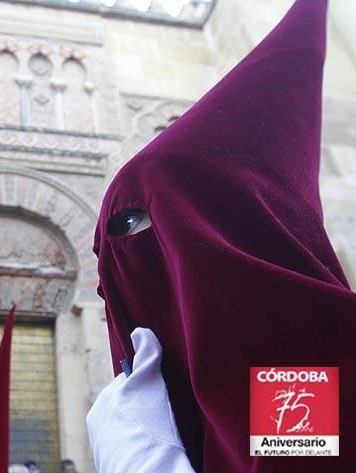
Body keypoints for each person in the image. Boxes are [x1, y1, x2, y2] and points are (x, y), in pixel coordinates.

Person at [88, 0, 356, 472]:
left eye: (133, 223)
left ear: (227, 224)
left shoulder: (299, 371)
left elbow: (300, 458)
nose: (106, 283)